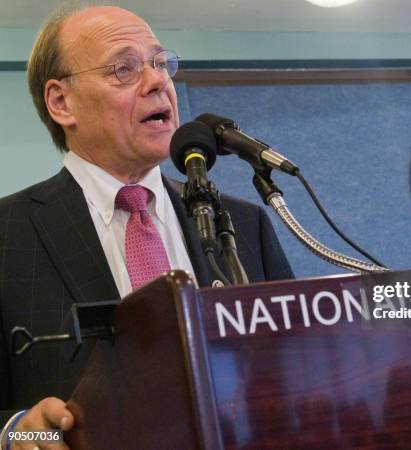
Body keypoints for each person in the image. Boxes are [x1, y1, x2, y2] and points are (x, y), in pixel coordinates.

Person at [0, 4, 293, 449]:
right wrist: (20, 432)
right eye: (124, 69)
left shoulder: (243, 225)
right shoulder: (7, 234)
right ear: (61, 102)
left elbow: (296, 373)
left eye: (160, 63)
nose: (158, 81)